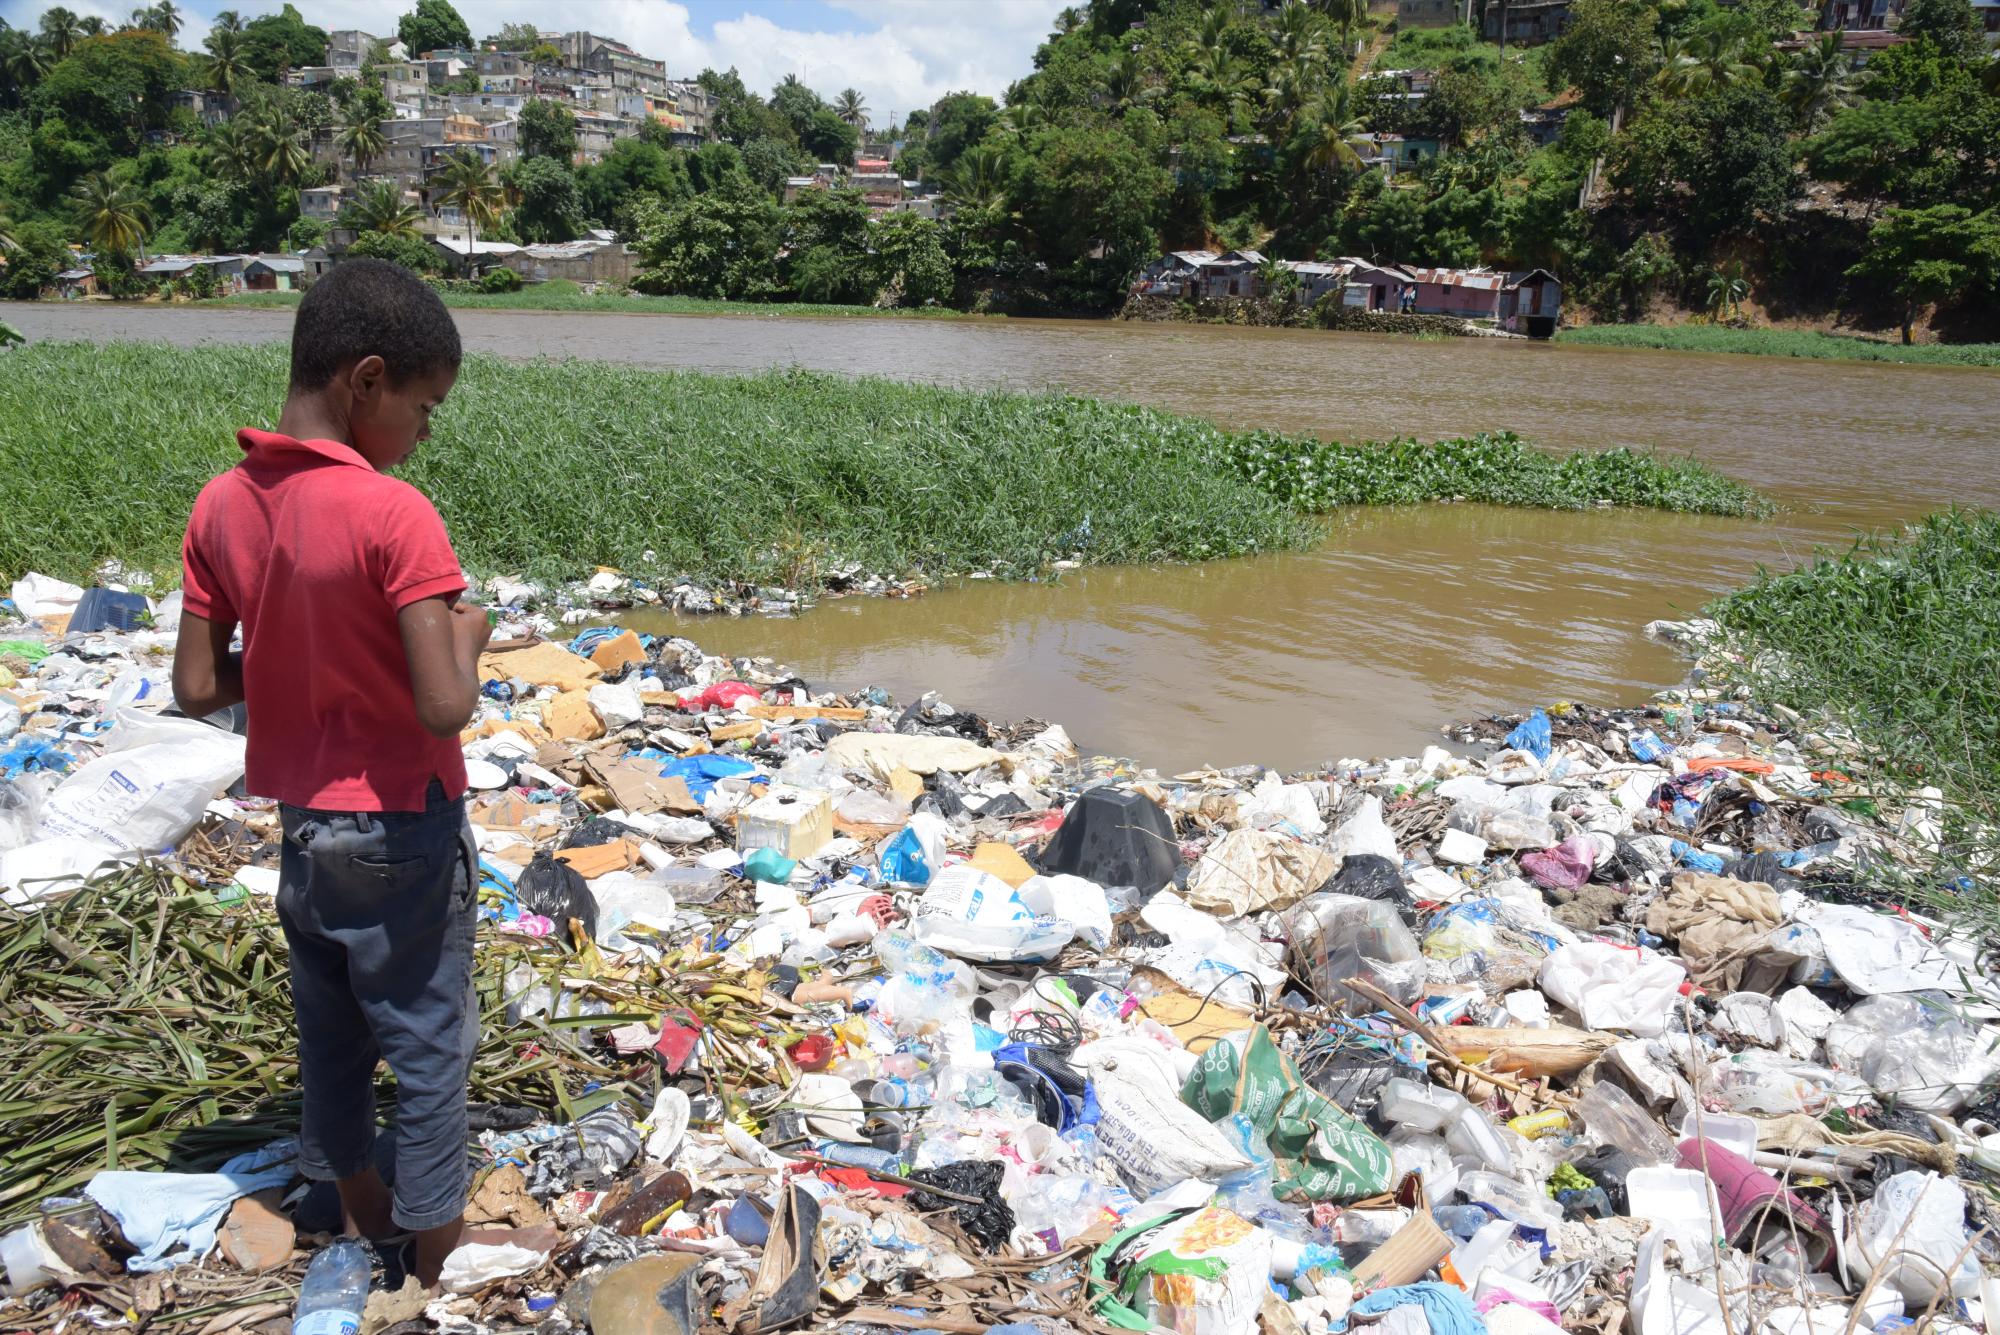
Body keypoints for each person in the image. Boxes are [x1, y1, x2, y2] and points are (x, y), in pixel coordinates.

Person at [171, 259, 493, 1289]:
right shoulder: (394, 514)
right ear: (365, 381)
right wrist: (471, 636)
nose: (426, 432)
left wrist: (280, 651)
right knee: (430, 1042)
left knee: (335, 1034)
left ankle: (356, 1212)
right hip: (402, 825)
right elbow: (444, 704)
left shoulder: (221, 503)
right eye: (424, 406)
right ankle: (436, 1253)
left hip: (304, 827)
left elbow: (193, 687)